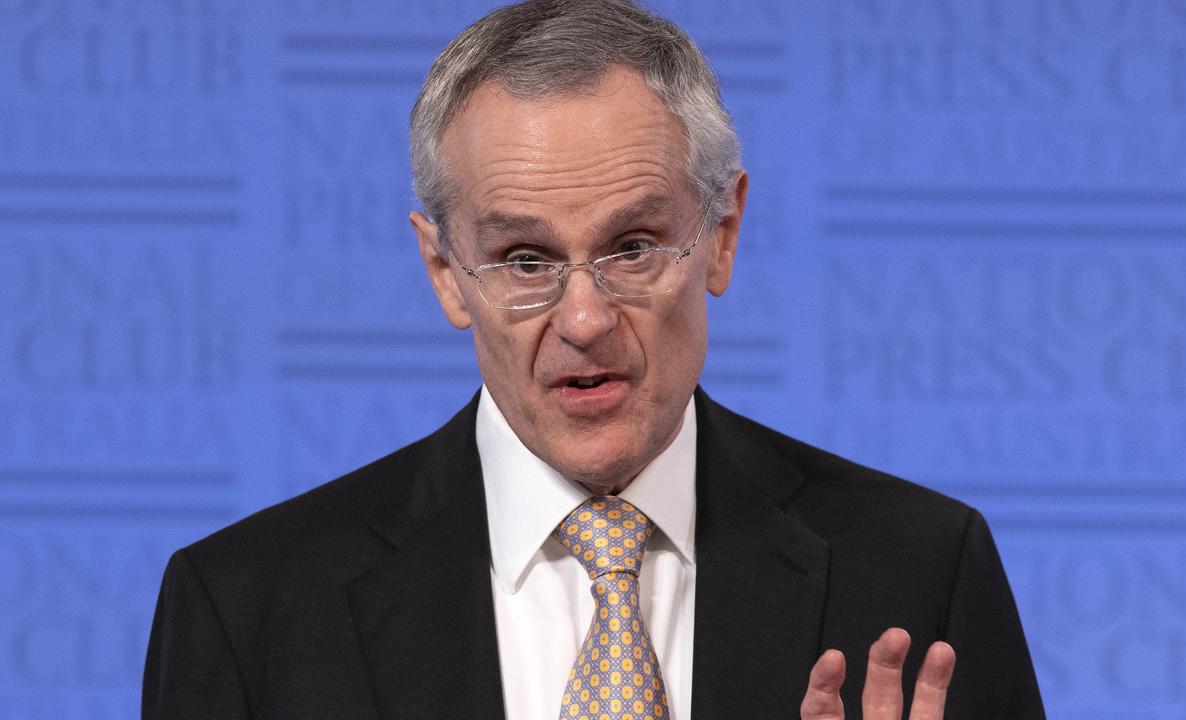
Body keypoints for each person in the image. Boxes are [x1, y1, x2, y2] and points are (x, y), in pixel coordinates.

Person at [142, 1, 1044, 718]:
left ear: (722, 236)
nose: (583, 317)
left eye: (634, 245)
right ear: (445, 273)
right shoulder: (248, 608)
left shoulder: (921, 571)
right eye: (525, 260)